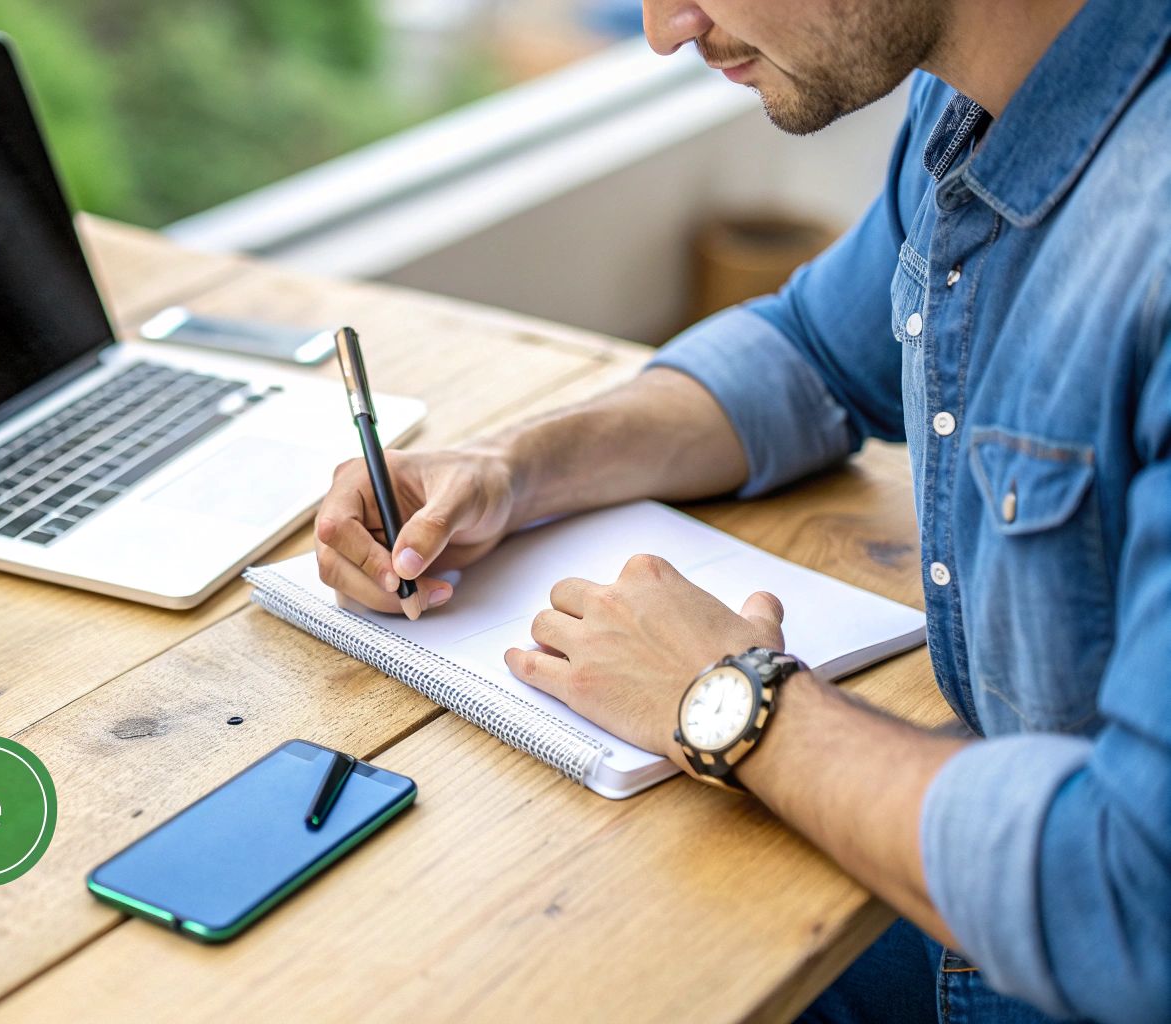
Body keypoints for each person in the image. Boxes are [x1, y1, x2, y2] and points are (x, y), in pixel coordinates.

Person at [311, 1, 1170, 1020]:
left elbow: (1129, 900)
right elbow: (811, 349)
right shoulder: (976, 95)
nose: (664, 28)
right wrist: (511, 467)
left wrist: (734, 703)